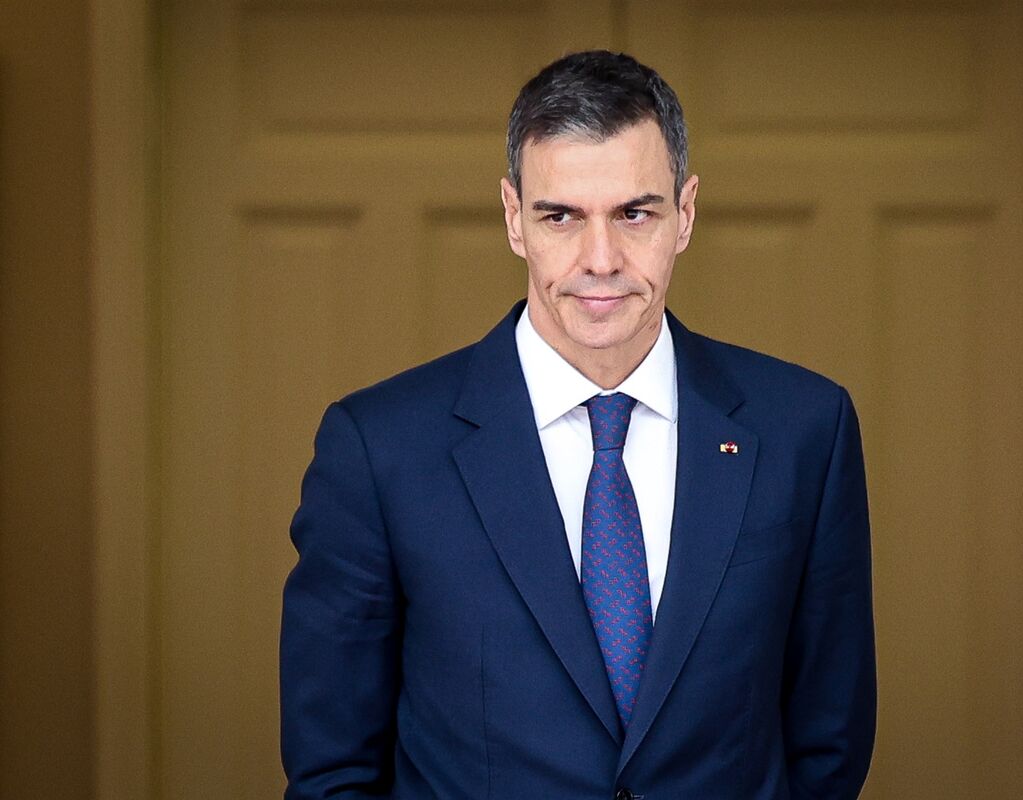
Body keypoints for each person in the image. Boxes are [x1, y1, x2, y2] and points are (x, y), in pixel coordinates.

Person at [281, 50, 875, 799]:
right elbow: (332, 767)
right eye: (560, 216)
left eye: (635, 213)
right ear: (513, 218)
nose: (601, 260)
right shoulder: (380, 449)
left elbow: (829, 744)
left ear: (686, 213)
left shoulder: (805, 430)